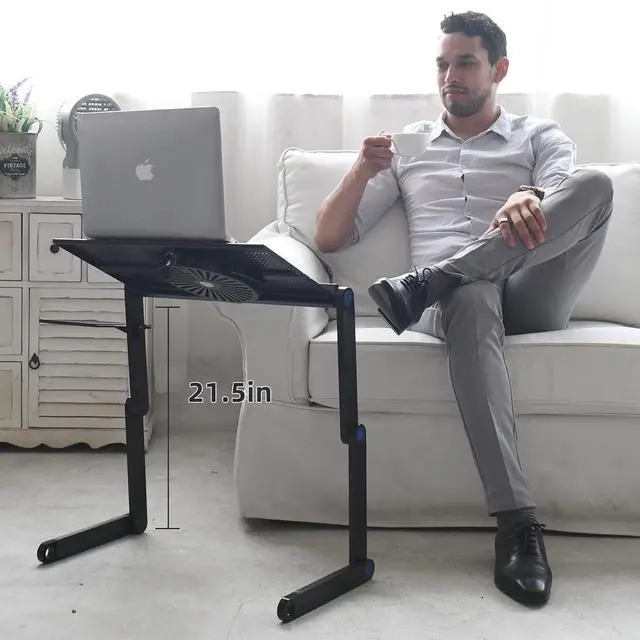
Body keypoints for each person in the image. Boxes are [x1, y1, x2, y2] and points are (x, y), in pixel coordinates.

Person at [314, 10, 614, 606]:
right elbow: (327, 237)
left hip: (528, 292)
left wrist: (529, 194)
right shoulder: (408, 147)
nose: (450, 76)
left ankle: (434, 278)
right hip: (455, 308)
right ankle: (517, 525)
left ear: (499, 69)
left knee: (597, 185)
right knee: (471, 293)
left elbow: (566, 190)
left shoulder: (539, 136)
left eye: (466, 63)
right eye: (443, 65)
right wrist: (360, 169)